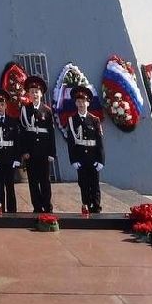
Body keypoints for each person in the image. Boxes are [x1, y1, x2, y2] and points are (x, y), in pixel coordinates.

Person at [65, 84, 105, 214]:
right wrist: (73, 160)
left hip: (93, 158)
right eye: (78, 101)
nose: (81, 104)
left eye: (83, 101)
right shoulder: (72, 120)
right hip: (80, 159)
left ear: (88, 103)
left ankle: (96, 208)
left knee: (95, 184)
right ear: (75, 103)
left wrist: (101, 160)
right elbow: (71, 143)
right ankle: (86, 206)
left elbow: (99, 142)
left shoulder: (94, 120)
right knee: (83, 184)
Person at [20, 74, 57, 213]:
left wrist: (51, 153)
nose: (34, 94)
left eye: (37, 92)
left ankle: (47, 206)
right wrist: (24, 151)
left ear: (41, 94)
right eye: (32, 92)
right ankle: (36, 206)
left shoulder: (47, 111)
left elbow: (51, 133)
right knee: (33, 181)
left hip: (43, 152)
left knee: (45, 181)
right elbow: (23, 133)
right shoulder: (25, 110)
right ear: (28, 94)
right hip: (30, 152)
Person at [0, 87, 21, 213]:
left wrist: (17, 158)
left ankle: (12, 211)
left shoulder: (13, 121)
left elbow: (17, 141)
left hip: (10, 158)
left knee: (10, 185)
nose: (0, 107)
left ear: (6, 105)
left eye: (2, 104)